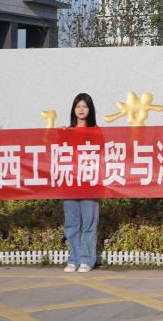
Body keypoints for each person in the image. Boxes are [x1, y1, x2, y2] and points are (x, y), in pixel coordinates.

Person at [62, 93, 100, 273]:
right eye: (78, 106)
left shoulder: (96, 131)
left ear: (90, 109)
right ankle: (74, 259)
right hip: (70, 183)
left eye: (85, 106)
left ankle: (87, 259)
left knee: (89, 223)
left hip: (89, 183)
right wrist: (60, 135)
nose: (81, 109)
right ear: (73, 109)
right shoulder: (67, 131)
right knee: (71, 224)